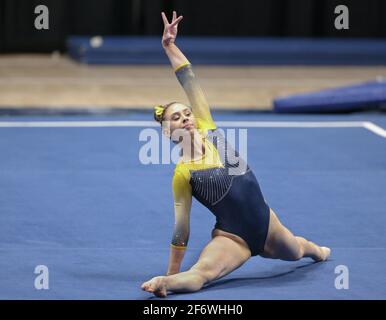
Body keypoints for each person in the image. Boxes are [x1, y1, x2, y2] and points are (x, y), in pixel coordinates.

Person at [141, 11, 330, 298]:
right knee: (201, 275)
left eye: (187, 113)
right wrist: (171, 273)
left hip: (268, 224)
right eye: (177, 118)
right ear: (168, 132)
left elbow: (189, 79)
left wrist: (169, 46)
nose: (187, 119)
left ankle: (317, 251)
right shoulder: (183, 173)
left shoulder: (207, 126)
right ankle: (164, 284)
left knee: (298, 250)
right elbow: (181, 229)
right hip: (233, 238)